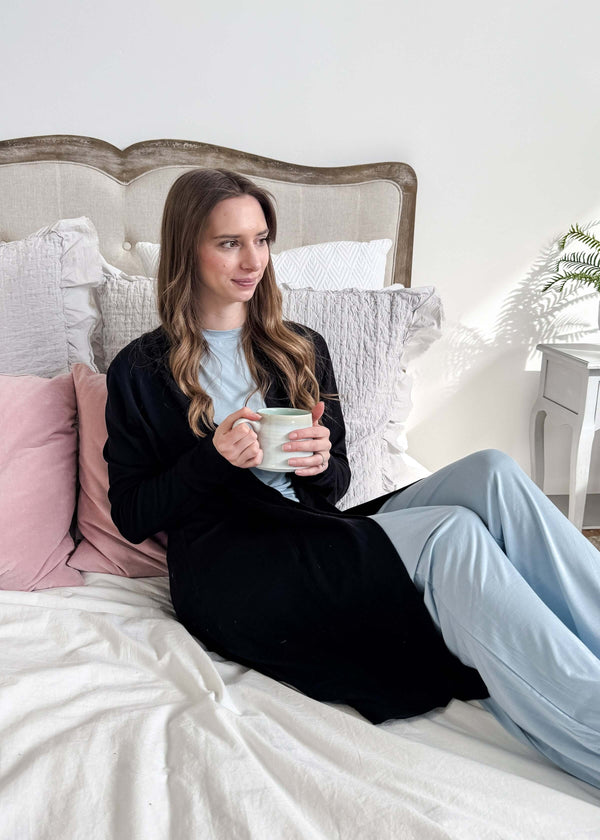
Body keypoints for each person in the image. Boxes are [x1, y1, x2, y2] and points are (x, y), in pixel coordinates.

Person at [104, 169, 600, 789]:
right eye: (229, 243)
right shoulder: (139, 370)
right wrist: (212, 458)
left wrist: (318, 462)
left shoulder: (300, 347)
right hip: (234, 569)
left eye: (261, 240)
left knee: (492, 472)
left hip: (314, 530)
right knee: (451, 535)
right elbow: (132, 513)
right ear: (187, 250)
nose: (253, 261)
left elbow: (335, 483)